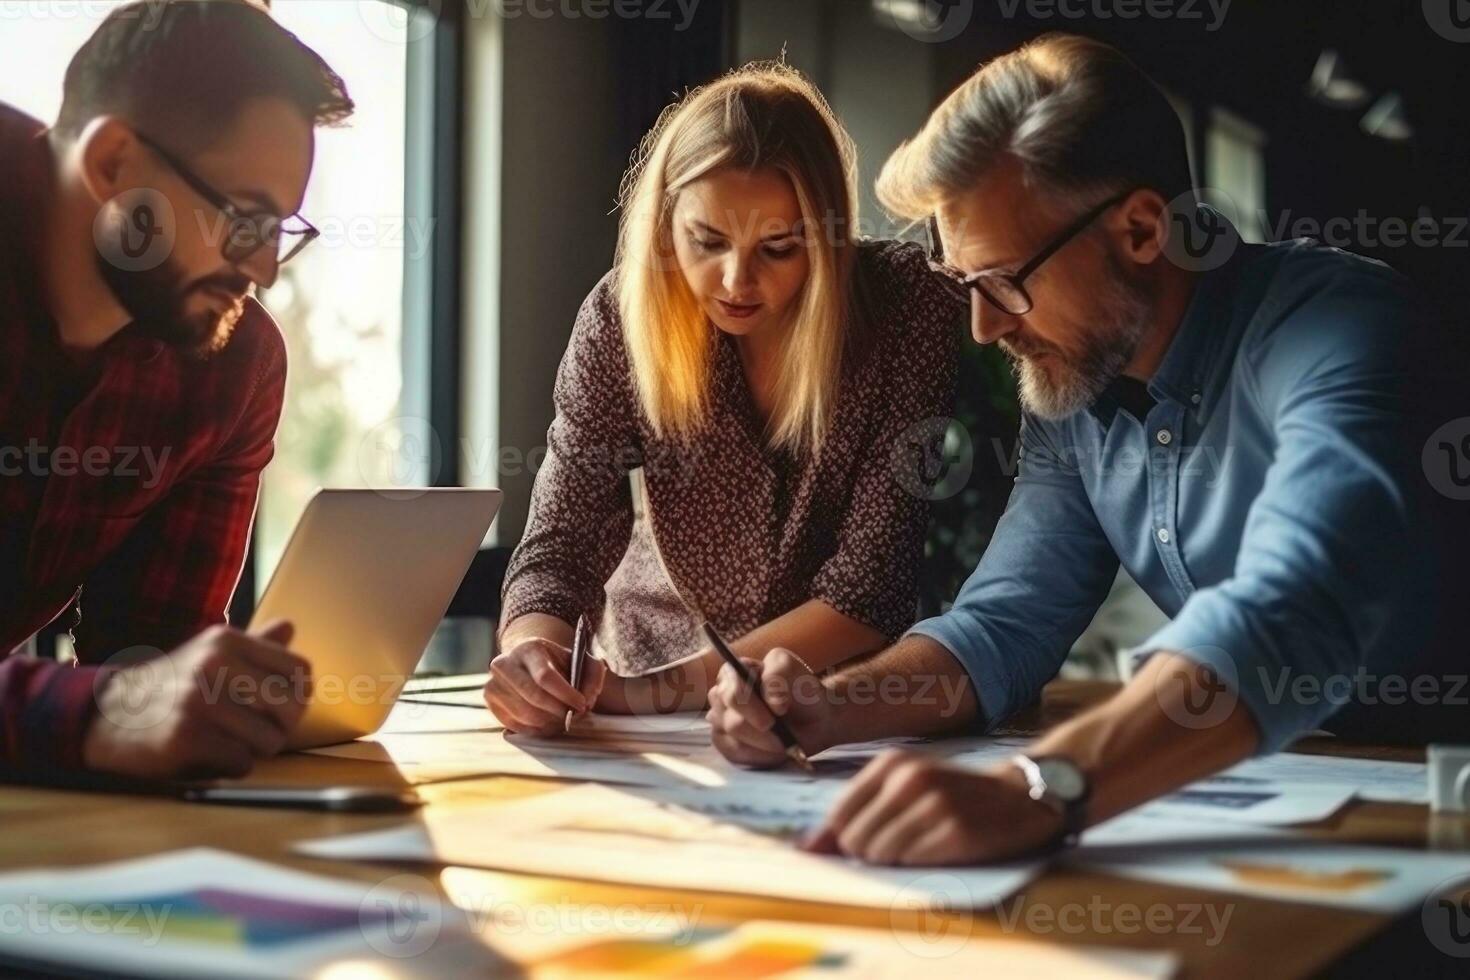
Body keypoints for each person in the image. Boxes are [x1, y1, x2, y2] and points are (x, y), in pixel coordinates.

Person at [707, 33, 1468, 865]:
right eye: (965, 285)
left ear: (1141, 230)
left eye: (1003, 281)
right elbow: (1006, 622)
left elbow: (1300, 605)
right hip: (1299, 791)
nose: (986, 327)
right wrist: (831, 705)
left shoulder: (1343, 330)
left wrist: (1042, 787)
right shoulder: (1076, 381)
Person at [487, 63, 966, 735]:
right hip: (644, 698)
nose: (738, 281)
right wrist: (530, 649)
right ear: (664, 226)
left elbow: (868, 590)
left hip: (839, 711)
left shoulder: (906, 308)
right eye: (707, 242)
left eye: (779, 247)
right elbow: (561, 541)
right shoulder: (622, 318)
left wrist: (643, 696)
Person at [0, 0, 355, 779]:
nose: (262, 271)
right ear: (112, 164)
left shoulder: (231, 366)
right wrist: (101, 715)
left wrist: (209, 705)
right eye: (244, 219)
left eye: (280, 233)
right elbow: (122, 709)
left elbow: (153, 661)